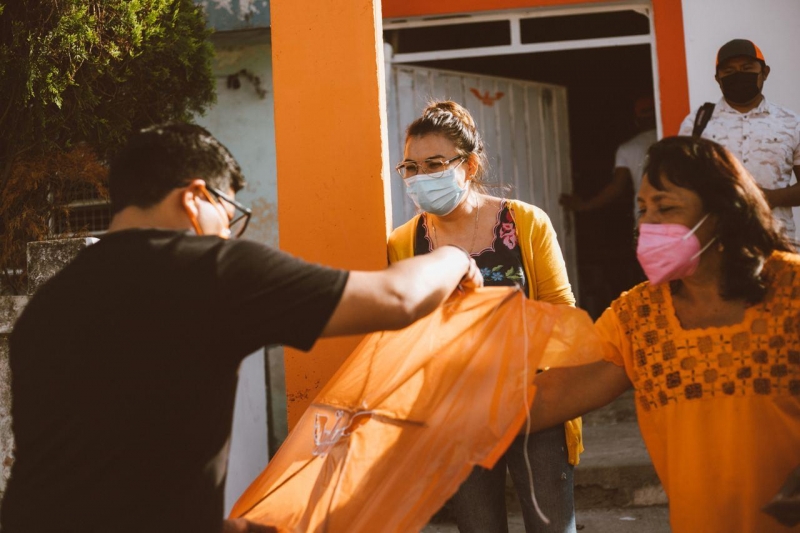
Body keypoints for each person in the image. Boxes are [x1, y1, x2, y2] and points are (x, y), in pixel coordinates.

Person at [1, 123, 483, 533]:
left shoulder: (50, 302)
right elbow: (397, 299)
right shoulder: (210, 269)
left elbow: (100, 469)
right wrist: (455, 256)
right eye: (228, 216)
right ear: (195, 197)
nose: (226, 234)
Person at [529, 136, 800, 533]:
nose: (647, 223)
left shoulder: (792, 290)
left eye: (666, 207)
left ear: (723, 212)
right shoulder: (638, 317)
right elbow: (547, 396)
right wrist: (448, 415)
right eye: (642, 209)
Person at [388, 101, 580, 533]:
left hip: (535, 406)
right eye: (411, 167)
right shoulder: (404, 243)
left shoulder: (525, 223)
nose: (421, 177)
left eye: (435, 164)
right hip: (456, 416)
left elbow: (561, 311)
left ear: (470, 165)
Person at [678, 39, 800, 242]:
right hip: (717, 245)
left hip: (776, 243)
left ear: (765, 72)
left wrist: (770, 198)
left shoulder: (792, 123)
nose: (738, 74)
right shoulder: (697, 123)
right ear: (718, 79)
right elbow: (678, 182)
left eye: (747, 68)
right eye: (729, 71)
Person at [560, 96, 657, 219]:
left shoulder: (627, 149)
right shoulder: (671, 141)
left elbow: (616, 188)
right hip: (674, 214)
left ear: (636, 121)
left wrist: (584, 206)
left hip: (645, 216)